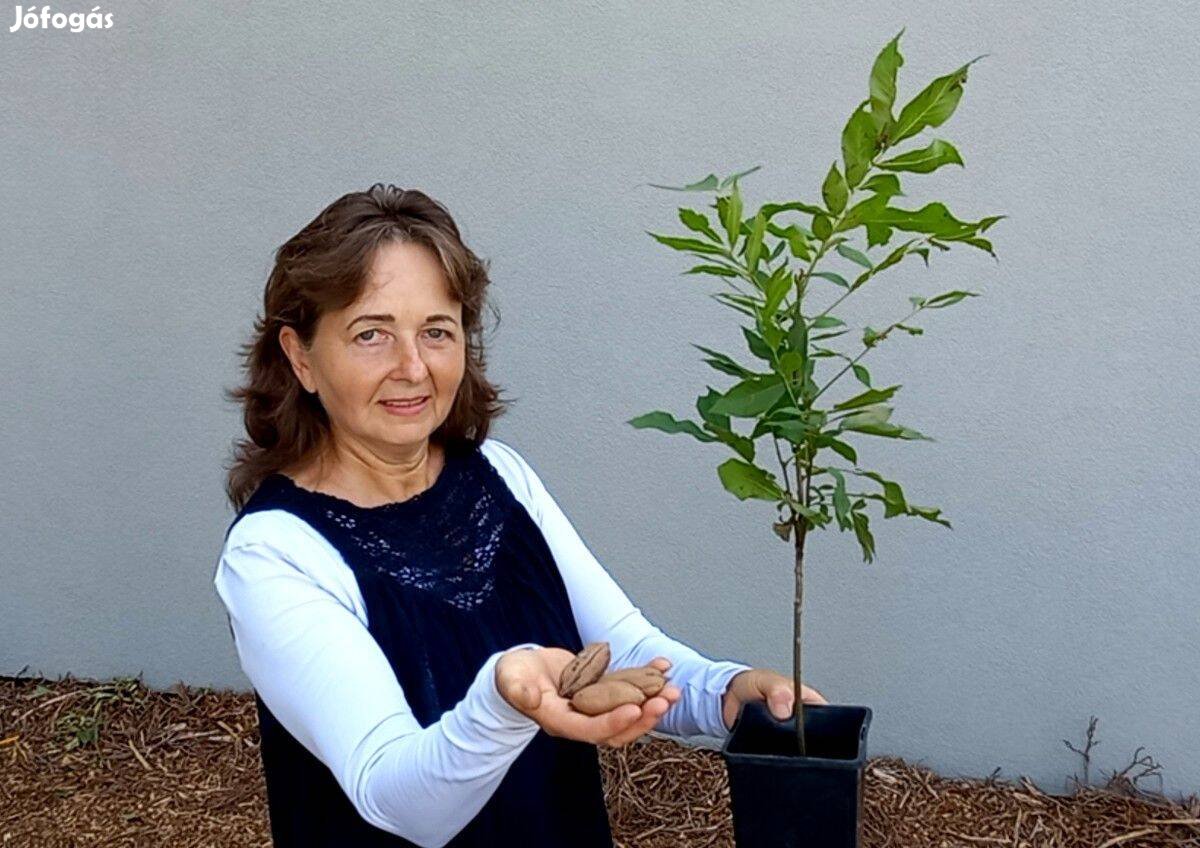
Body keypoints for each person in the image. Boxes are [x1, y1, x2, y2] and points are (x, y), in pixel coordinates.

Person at [213, 183, 827, 848]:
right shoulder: (274, 553)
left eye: (437, 331)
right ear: (300, 356)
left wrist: (725, 693)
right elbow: (397, 799)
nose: (412, 367)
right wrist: (504, 699)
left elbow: (622, 648)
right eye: (371, 335)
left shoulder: (498, 475)